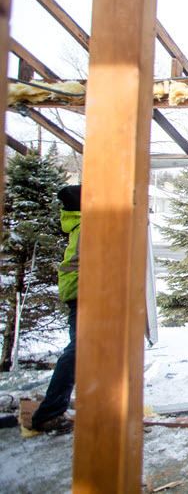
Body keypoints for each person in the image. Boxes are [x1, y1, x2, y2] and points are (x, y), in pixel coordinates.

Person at [30, 184, 81, 435]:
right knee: (78, 351)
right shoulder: (88, 226)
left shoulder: (82, 223)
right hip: (85, 292)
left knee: (83, 350)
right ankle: (48, 414)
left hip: (83, 291)